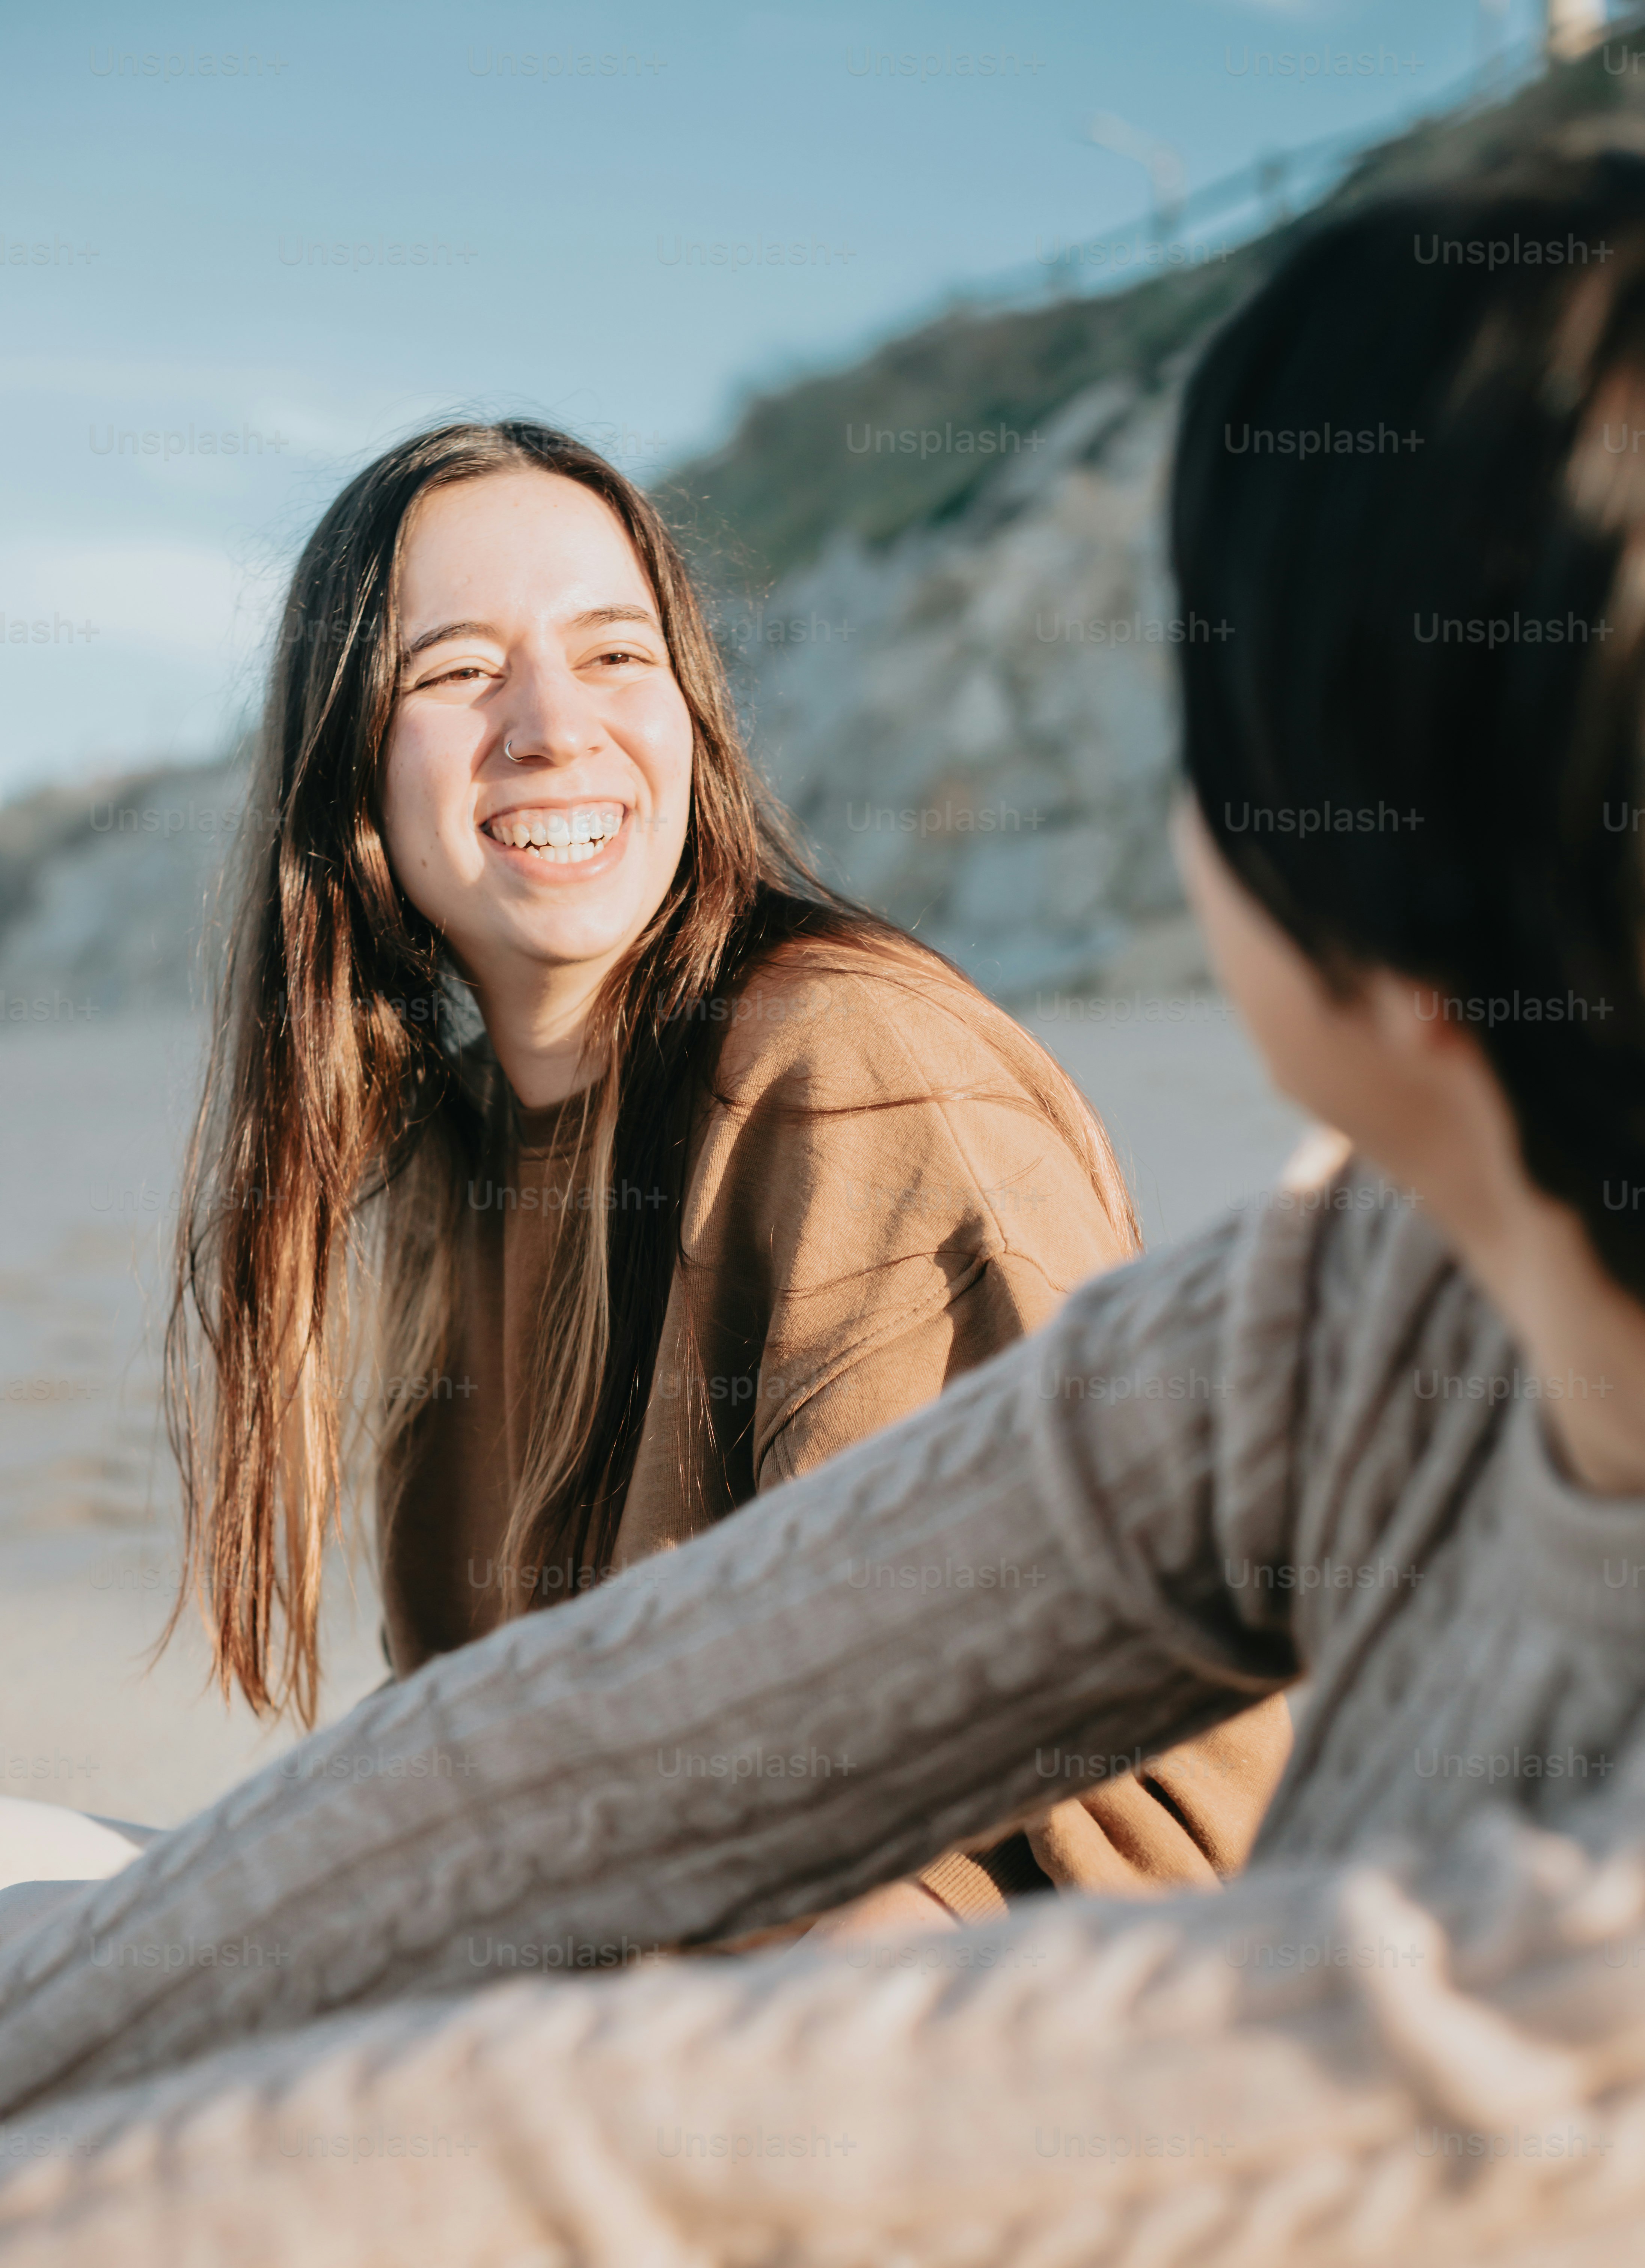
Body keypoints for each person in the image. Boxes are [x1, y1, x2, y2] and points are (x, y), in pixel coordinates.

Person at [5, 118, 1645, 2268]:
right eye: (454, 678)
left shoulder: (867, 1059)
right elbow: (593, 1757)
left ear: (1333, 854)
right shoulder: (1372, 1313)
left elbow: (724, 2149)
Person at [3, 420, 1288, 1923]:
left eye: (617, 654)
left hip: (1010, 2012)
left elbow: (999, 1798)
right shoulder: (458, 1159)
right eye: (457, 670)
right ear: (348, 762)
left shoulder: (853, 1074)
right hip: (624, 1952)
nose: (553, 726)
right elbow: (482, 1751)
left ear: (691, 715)